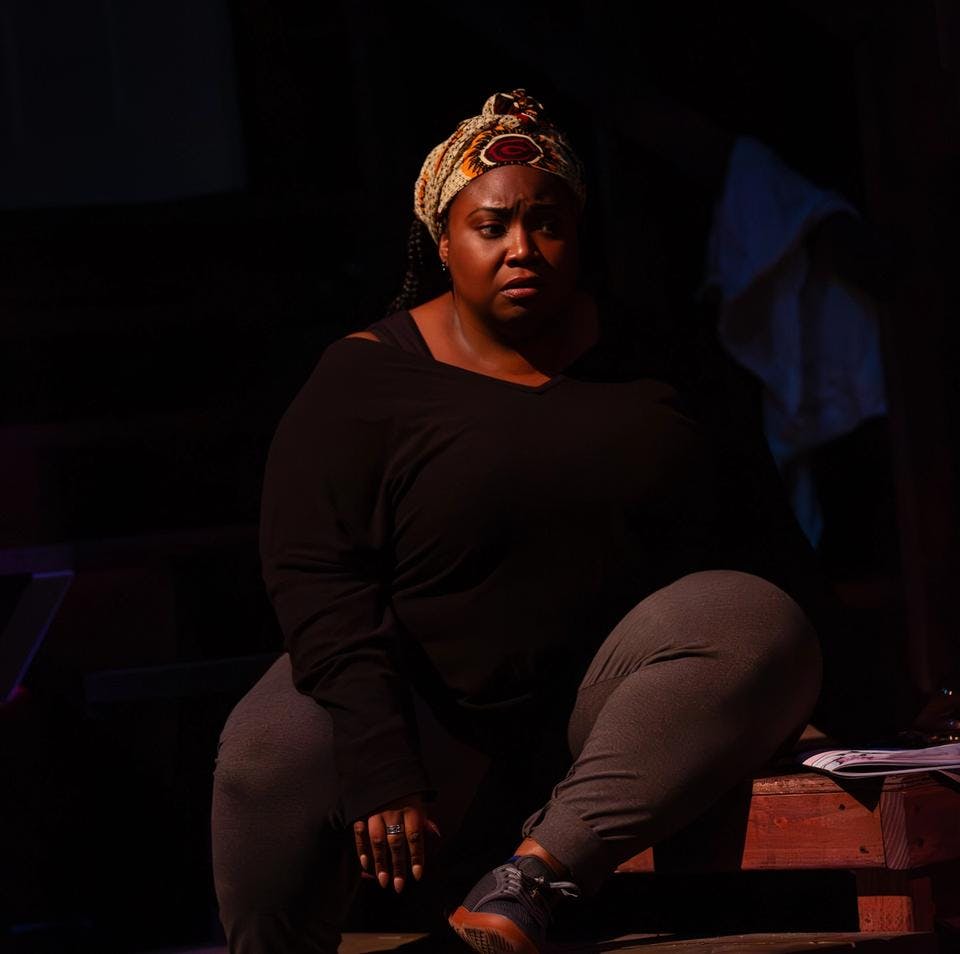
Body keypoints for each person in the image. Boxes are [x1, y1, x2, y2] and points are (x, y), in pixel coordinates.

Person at [211, 89, 826, 954]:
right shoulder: (362, 380)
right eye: (491, 226)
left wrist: (813, 690)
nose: (521, 248)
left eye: (547, 223)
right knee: (268, 743)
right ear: (445, 239)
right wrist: (381, 760)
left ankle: (528, 884)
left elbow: (763, 531)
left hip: (608, 705)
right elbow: (317, 579)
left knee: (754, 616)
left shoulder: (662, 364)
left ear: (579, 234)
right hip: (430, 708)